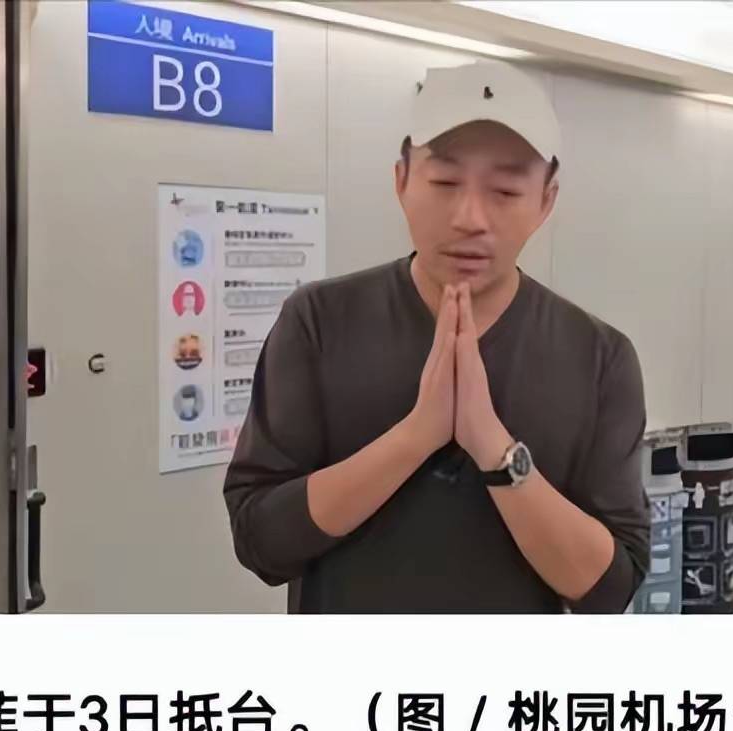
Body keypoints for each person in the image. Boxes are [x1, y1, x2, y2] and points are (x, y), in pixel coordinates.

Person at [224, 61, 650, 613]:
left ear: (546, 201)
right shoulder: (319, 321)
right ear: (401, 180)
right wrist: (415, 436)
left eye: (505, 190)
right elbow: (260, 540)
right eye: (445, 182)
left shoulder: (598, 358)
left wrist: (494, 448)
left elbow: (610, 587)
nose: (470, 217)